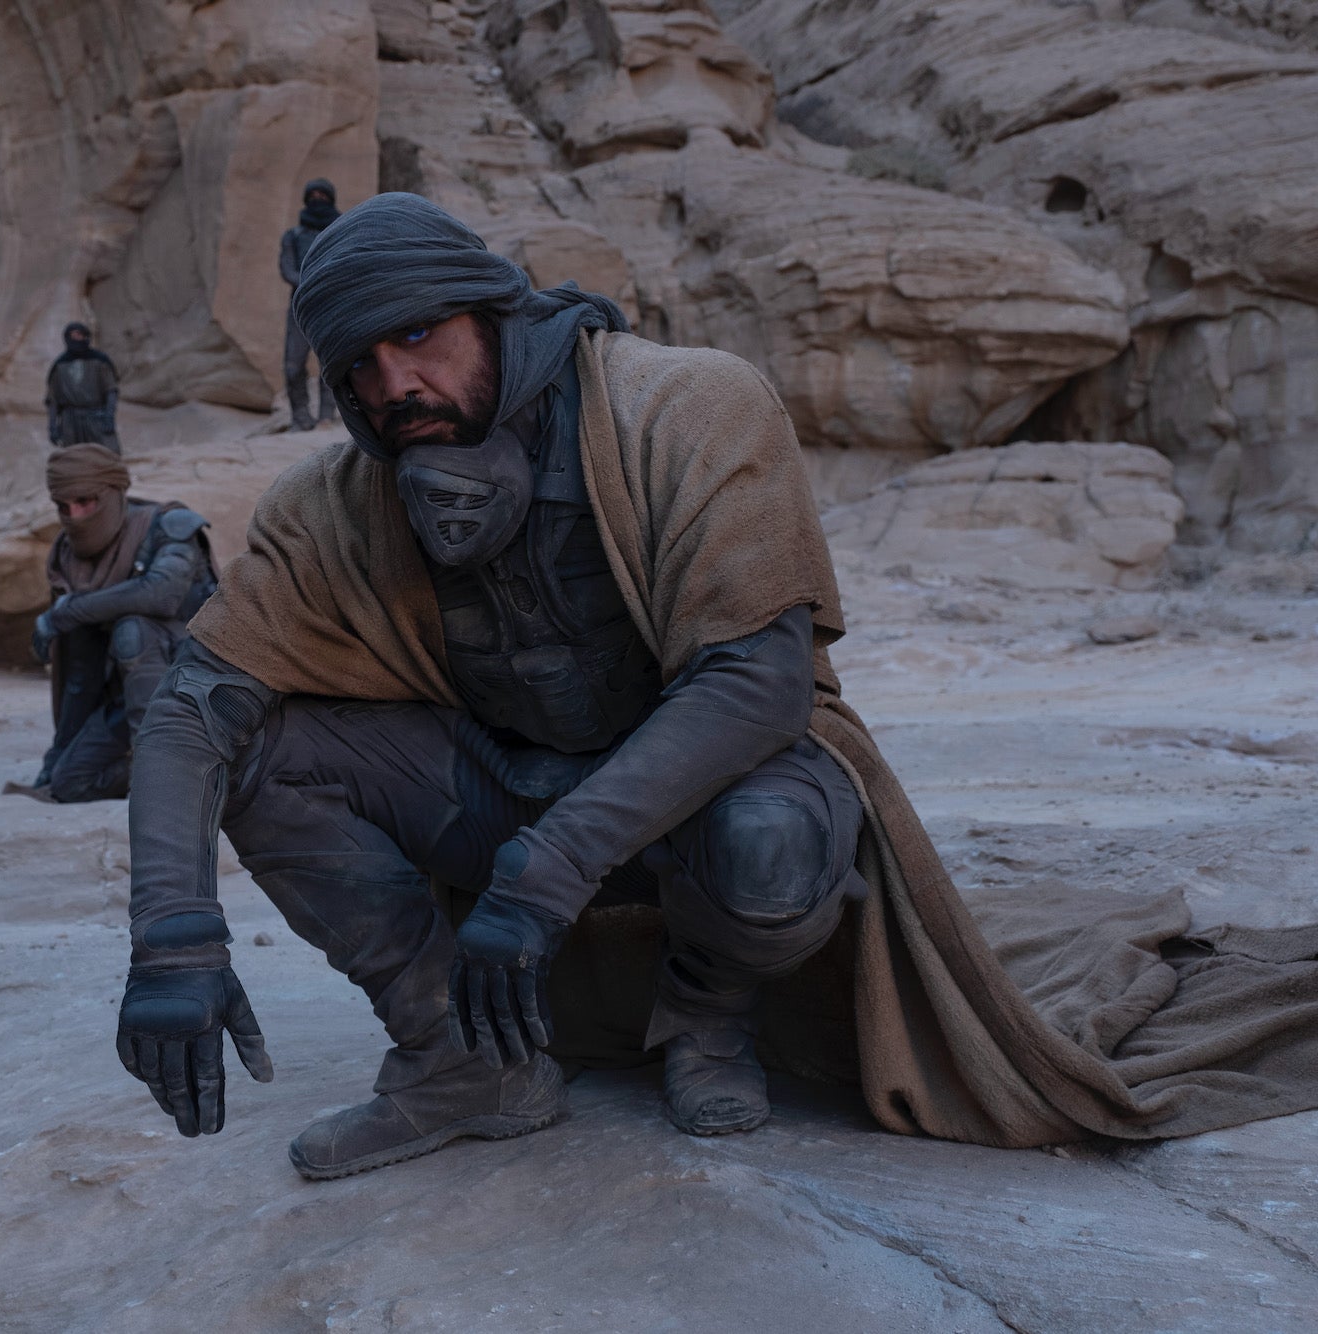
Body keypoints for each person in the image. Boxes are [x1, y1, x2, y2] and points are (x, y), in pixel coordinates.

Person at [110, 194, 1318, 1182]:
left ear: (493, 309)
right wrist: (171, 939)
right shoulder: (336, 497)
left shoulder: (681, 403)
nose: (393, 387)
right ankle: (462, 1059)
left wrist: (546, 867)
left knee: (772, 837)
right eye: (359, 366)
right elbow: (192, 705)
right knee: (266, 754)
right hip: (502, 781)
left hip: (705, 790)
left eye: (418, 337)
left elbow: (758, 681)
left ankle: (704, 1015)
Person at [28, 445, 217, 803]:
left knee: (133, 629)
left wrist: (65, 612)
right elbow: (80, 674)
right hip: (128, 698)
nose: (76, 515)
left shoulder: (168, 528)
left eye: (86, 501)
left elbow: (162, 594)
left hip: (200, 688)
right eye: (64, 507)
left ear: (114, 492)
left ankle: (165, 776)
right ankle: (183, 768)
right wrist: (57, 755)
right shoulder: (71, 557)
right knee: (70, 783)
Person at [279, 179, 340, 432]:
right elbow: (287, 269)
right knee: (293, 365)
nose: (317, 198)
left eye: (322, 194)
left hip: (332, 304)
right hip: (300, 306)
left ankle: (327, 415)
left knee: (332, 362)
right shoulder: (293, 236)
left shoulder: (339, 232)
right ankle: (301, 418)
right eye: (312, 194)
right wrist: (309, 283)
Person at [46, 323, 121, 452]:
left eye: (79, 335)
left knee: (107, 456)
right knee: (74, 460)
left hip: (96, 417)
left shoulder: (100, 361)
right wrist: (53, 427)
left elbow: (111, 391)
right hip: (70, 421)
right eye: (72, 336)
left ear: (86, 337)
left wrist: (109, 417)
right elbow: (53, 401)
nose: (76, 338)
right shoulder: (60, 365)